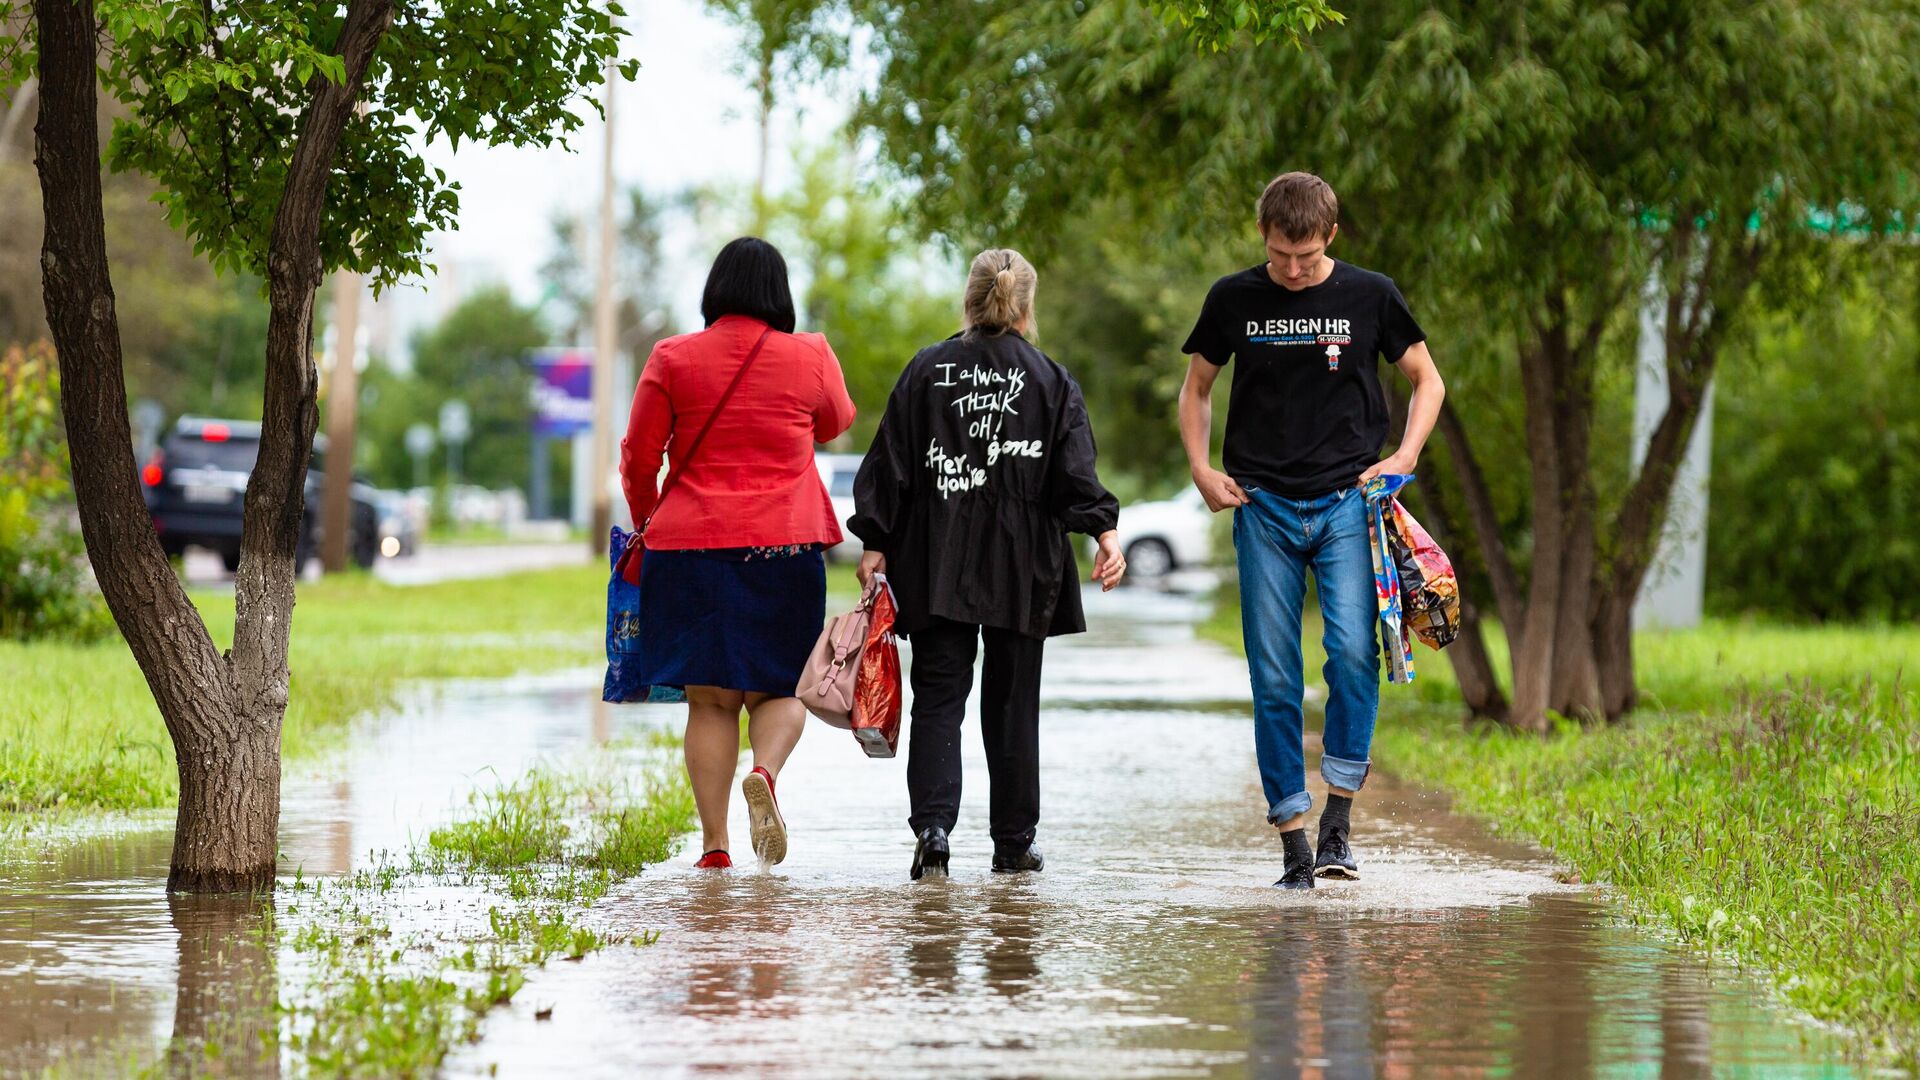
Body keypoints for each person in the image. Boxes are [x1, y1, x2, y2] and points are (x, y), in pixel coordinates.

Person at [1177, 172, 1446, 889]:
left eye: (1304, 256)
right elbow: (1197, 387)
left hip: (1347, 505)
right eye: (1277, 255)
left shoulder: (1371, 295)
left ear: (1331, 235)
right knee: (1273, 677)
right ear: (1263, 237)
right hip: (1261, 506)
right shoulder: (1233, 298)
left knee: (1355, 656)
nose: (1291, 271)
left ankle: (1339, 825)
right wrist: (1201, 469)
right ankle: (1294, 841)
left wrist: (1405, 455)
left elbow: (1428, 380)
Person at [849, 248, 1125, 881]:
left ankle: (936, 830)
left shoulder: (926, 370)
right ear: (1027, 307)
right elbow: (1075, 476)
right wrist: (1105, 535)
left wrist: (874, 540)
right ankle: (1011, 842)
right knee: (1011, 700)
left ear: (967, 301)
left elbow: (889, 464)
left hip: (938, 560)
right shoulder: (1052, 381)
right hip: (1023, 565)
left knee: (939, 696)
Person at [620, 236, 857, 870]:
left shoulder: (673, 358)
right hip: (784, 546)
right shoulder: (810, 355)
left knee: (711, 700)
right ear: (780, 294)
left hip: (690, 548)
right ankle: (768, 774)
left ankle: (715, 846)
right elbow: (836, 419)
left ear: (714, 290)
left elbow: (640, 456)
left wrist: (649, 518)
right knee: (781, 689)